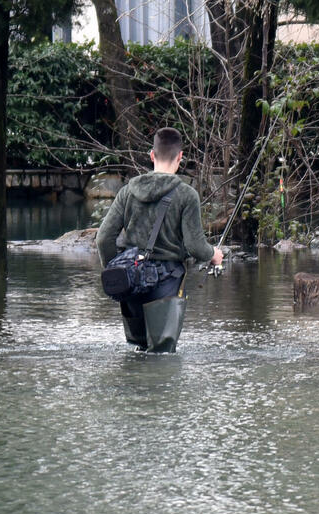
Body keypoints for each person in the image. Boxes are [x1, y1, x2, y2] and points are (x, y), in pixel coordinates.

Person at [96, 127, 224, 351]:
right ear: (180, 157)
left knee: (138, 351)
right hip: (166, 283)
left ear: (152, 155)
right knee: (162, 354)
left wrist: (115, 272)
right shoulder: (187, 195)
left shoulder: (128, 191)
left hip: (129, 282)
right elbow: (195, 246)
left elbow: (103, 239)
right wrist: (213, 254)